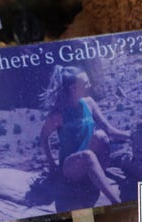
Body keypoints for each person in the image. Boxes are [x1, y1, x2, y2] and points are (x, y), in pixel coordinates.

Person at [39, 65, 130, 204]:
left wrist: (132, 135)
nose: (90, 85)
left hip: (89, 159)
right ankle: (116, 201)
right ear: (73, 89)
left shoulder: (89, 103)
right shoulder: (59, 113)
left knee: (101, 136)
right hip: (71, 167)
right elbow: (44, 137)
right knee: (88, 156)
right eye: (86, 83)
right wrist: (52, 165)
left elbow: (109, 130)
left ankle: (98, 178)